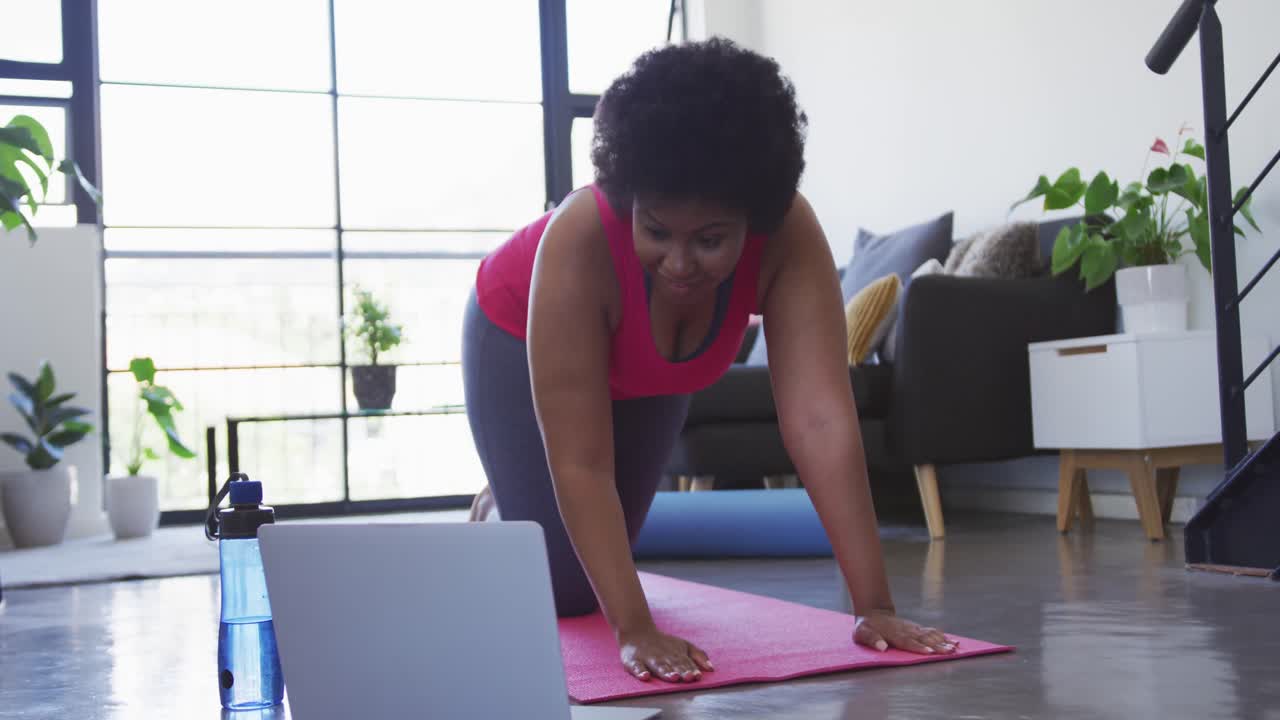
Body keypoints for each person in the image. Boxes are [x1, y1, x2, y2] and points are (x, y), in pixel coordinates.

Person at [461, 37, 954, 685]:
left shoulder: (788, 238)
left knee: (597, 560)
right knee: (567, 593)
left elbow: (820, 423)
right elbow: (583, 463)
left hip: (650, 372)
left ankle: (521, 491)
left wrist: (874, 607)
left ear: (753, 220)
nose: (680, 264)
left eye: (711, 240)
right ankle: (507, 499)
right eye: (656, 230)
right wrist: (634, 630)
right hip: (512, 335)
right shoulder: (580, 239)